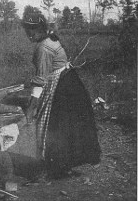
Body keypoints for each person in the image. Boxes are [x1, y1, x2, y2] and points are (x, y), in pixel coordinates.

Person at [22, 13, 100, 178]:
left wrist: (31, 107)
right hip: (70, 83)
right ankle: (61, 166)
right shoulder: (50, 40)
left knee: (56, 125)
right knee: (66, 126)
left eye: (33, 30)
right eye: (27, 30)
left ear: (41, 29)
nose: (30, 34)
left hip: (63, 87)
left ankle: (54, 168)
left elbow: (40, 79)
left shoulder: (44, 47)